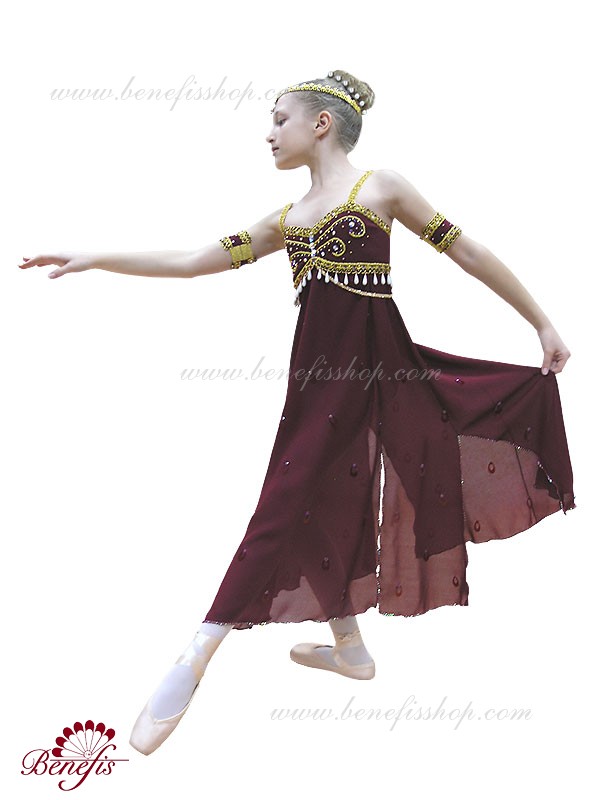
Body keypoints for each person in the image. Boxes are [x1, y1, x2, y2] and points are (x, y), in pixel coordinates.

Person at [18, 69, 575, 757]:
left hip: (380, 369)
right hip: (317, 382)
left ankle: (199, 650)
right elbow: (193, 260)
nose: (269, 133)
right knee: (315, 501)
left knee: (284, 504)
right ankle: (349, 648)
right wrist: (97, 257)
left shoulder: (380, 187)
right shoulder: (286, 221)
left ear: (321, 124)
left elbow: (466, 249)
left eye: (279, 119)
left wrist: (541, 322)